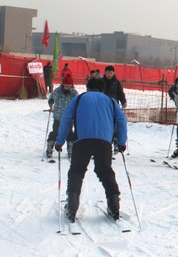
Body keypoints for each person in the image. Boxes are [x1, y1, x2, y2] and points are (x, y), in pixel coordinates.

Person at [55, 78, 128, 222]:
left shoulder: (79, 98)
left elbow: (66, 118)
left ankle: (72, 205)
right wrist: (121, 142)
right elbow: (122, 120)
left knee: (77, 170)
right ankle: (114, 205)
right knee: (105, 171)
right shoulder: (111, 101)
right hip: (104, 142)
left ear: (87, 87)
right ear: (103, 89)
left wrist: (60, 141)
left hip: (82, 140)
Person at [46, 73, 79, 158]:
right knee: (56, 131)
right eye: (65, 86)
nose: (67, 87)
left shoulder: (74, 93)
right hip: (58, 116)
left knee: (69, 133)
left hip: (69, 117)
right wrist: (51, 102)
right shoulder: (58, 91)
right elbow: (52, 97)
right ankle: (50, 146)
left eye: (69, 86)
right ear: (63, 84)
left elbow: (78, 101)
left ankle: (71, 148)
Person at [102, 65, 127, 152]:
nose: (109, 74)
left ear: (113, 73)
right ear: (105, 72)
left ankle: (116, 141)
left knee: (115, 124)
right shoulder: (101, 82)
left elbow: (120, 93)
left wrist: (123, 101)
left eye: (110, 73)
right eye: (107, 73)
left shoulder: (116, 82)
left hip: (113, 106)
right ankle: (105, 142)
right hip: (103, 106)